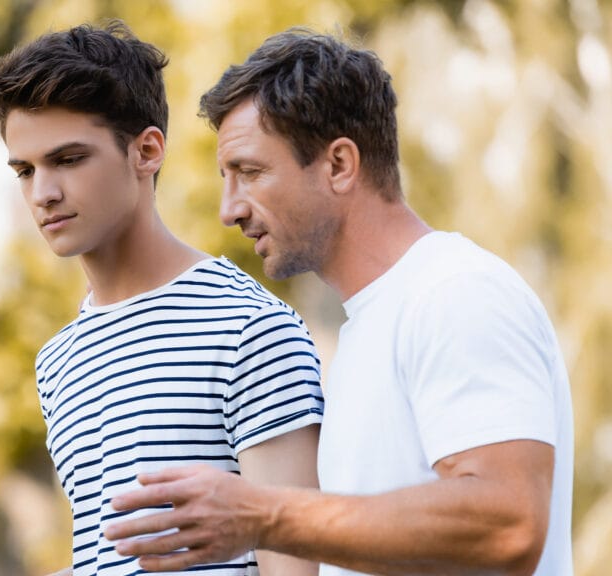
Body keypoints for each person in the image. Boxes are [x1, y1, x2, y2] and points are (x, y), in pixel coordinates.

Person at [102, 28, 575, 575]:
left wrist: (264, 515)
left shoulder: (454, 292)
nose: (229, 210)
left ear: (339, 165)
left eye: (250, 173)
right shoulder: (367, 329)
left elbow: (510, 522)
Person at [0, 21, 326, 576]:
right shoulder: (59, 360)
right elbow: (110, 564)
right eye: (25, 170)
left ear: (146, 151)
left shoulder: (249, 329)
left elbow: (297, 568)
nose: (43, 193)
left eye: (68, 159)